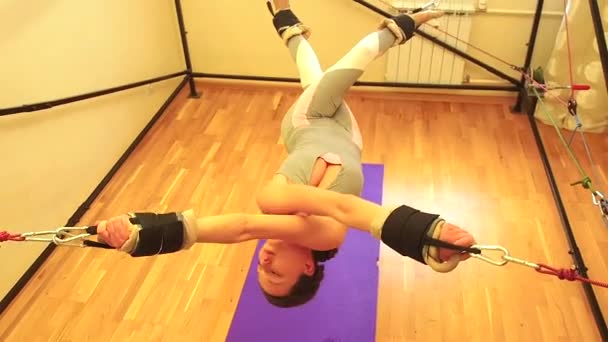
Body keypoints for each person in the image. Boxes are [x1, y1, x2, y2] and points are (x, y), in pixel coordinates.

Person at [96, 2, 477, 308]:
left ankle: (397, 27)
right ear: (308, 267)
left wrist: (141, 235)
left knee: (332, 75)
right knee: (314, 73)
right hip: (346, 134)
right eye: (276, 274)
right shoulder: (327, 234)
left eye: (262, 272)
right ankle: (288, 20)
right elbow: (353, 212)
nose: (263, 263)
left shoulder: (273, 201)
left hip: (306, 123)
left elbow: (243, 227)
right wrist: (423, 234)